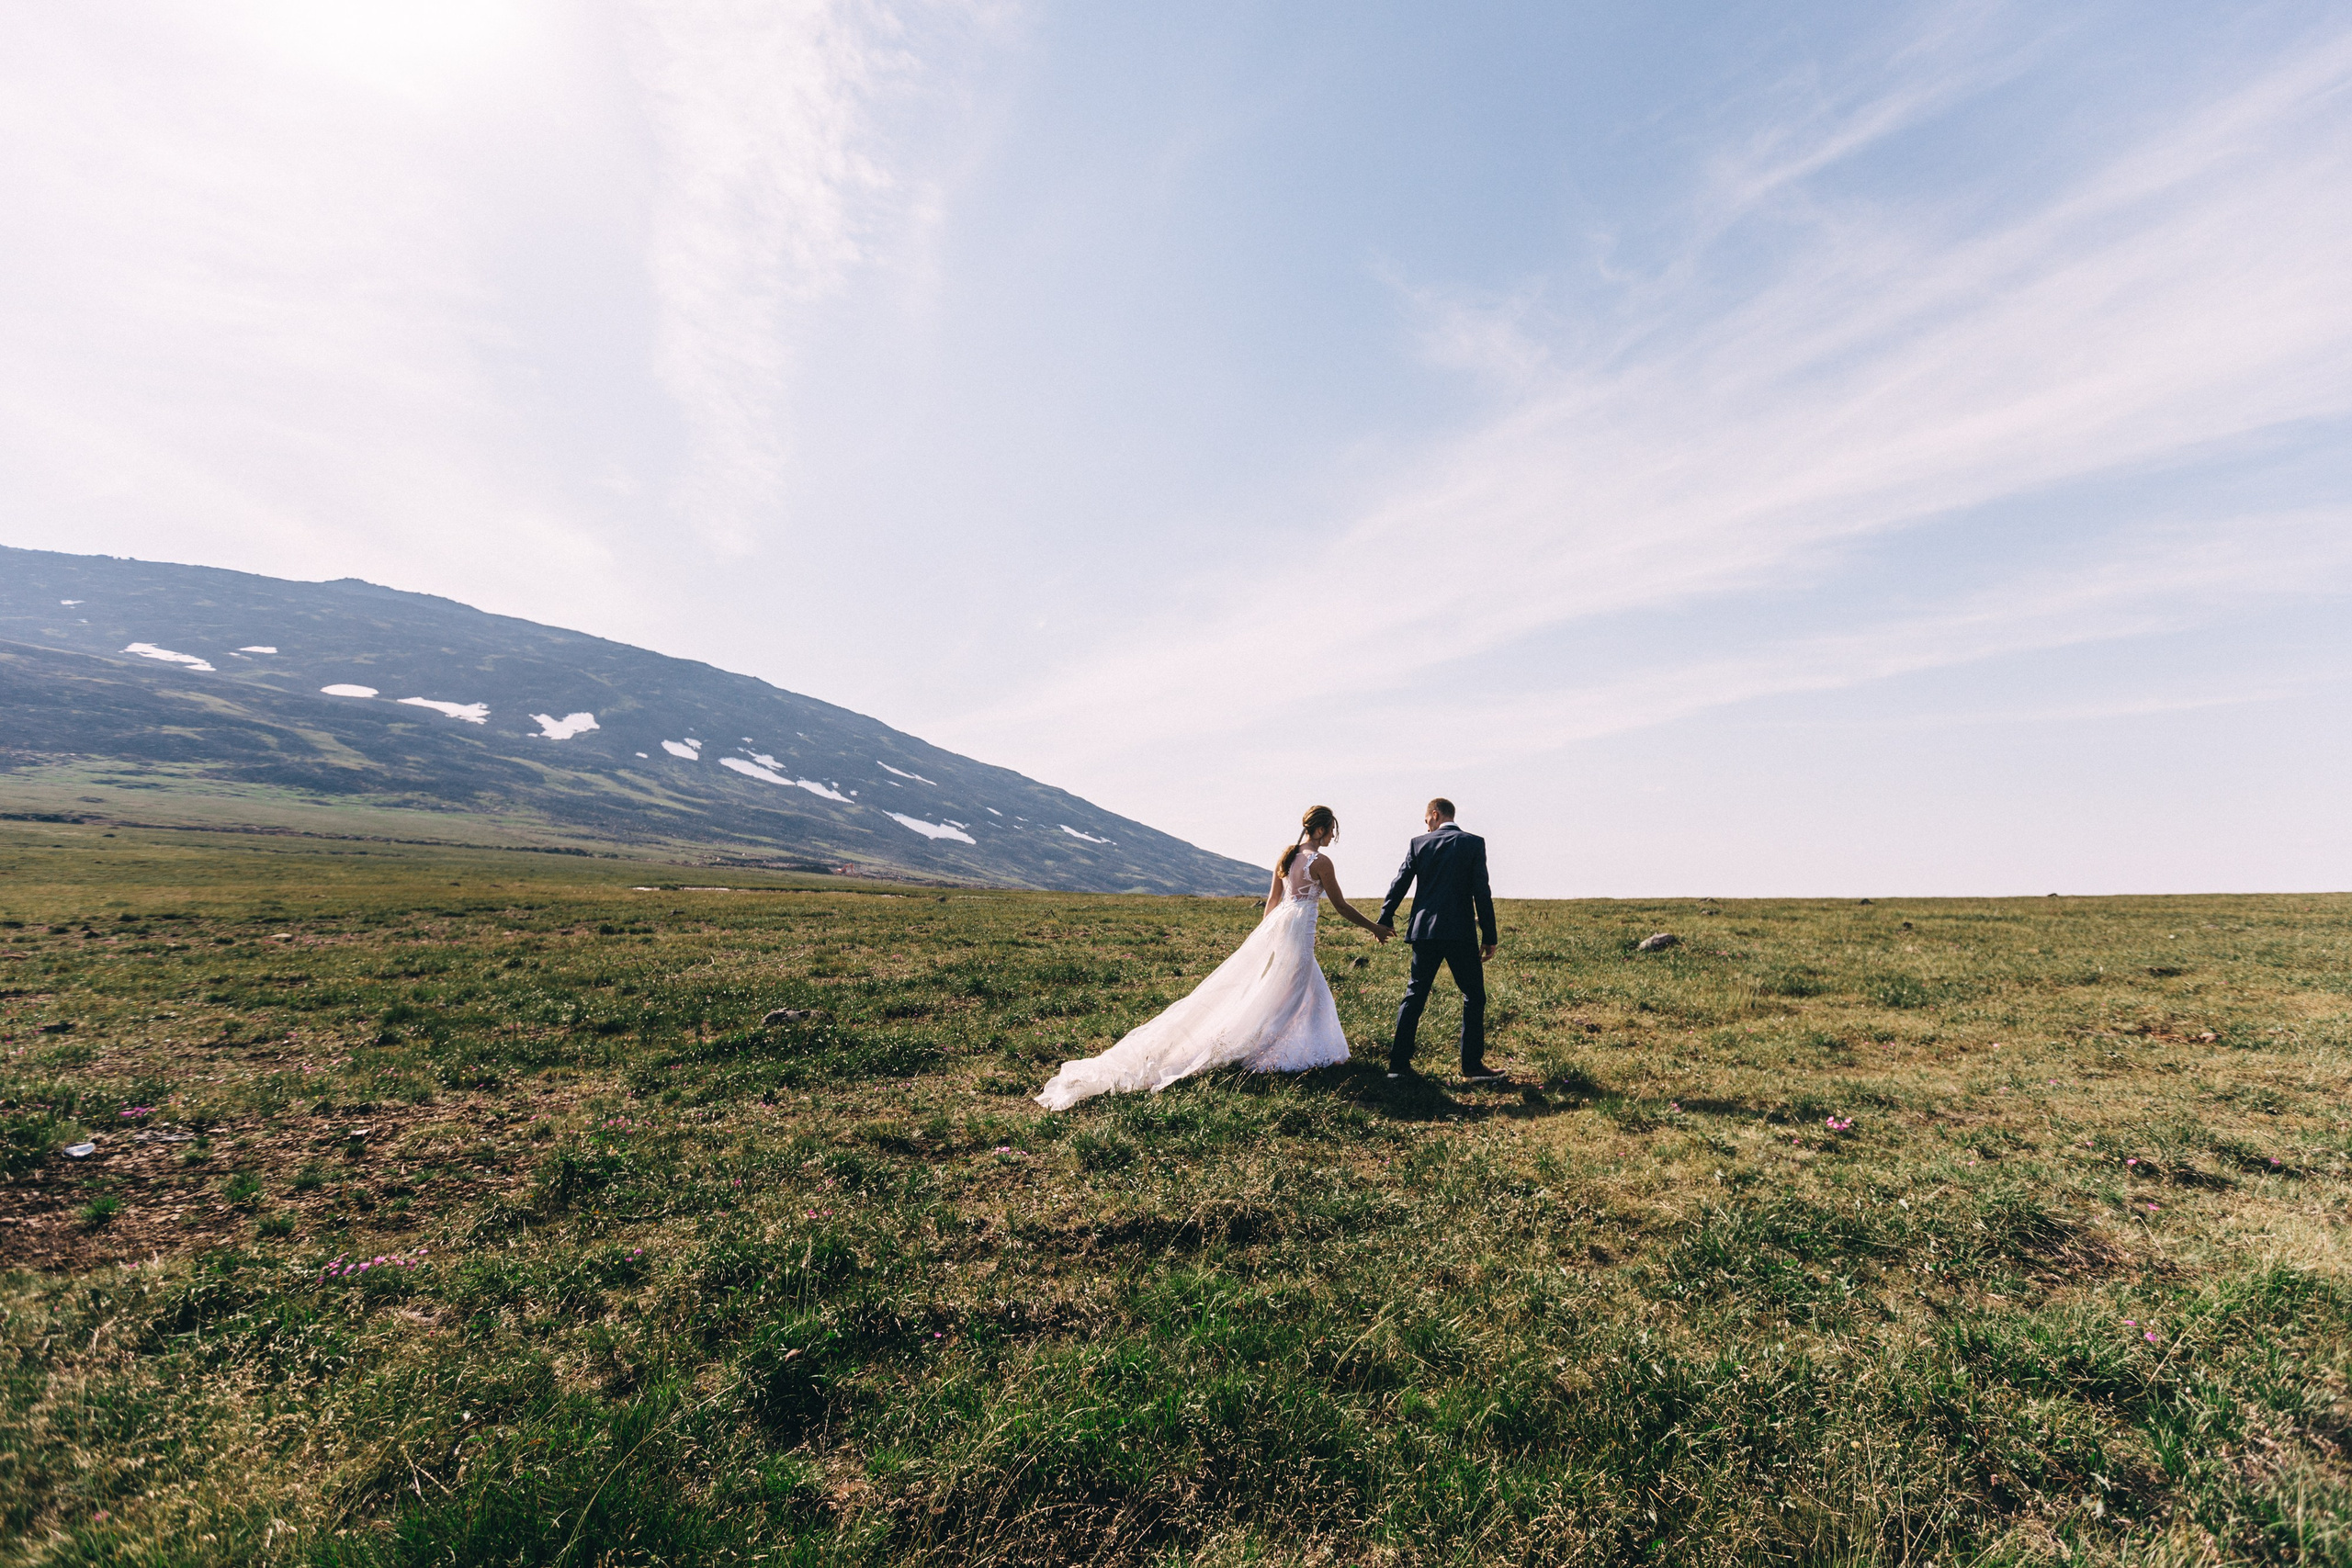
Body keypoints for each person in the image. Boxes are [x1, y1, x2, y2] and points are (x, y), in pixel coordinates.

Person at [1035, 805, 1388, 1110]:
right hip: (1298, 928)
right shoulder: (1319, 861)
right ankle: (1266, 1050)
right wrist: (1374, 926)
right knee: (1293, 990)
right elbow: (1340, 905)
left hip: (1280, 925)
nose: (1331, 839)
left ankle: (1312, 1044)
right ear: (1323, 829)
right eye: (1332, 832)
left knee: (1302, 985)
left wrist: (1261, 938)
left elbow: (1272, 901)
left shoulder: (1287, 855)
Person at [1375, 797, 1501, 1081]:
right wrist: (1489, 935)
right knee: (1474, 996)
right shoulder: (1473, 843)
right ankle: (1471, 1066)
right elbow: (1482, 892)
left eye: (1427, 820)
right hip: (1460, 933)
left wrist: (1386, 917)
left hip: (1425, 932)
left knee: (1415, 994)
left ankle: (1398, 1065)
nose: (1427, 826)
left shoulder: (1419, 844)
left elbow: (1401, 882)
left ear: (1435, 815)